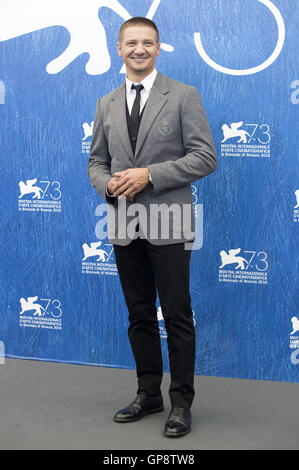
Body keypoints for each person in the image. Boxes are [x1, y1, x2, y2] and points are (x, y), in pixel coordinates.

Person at [87, 17, 216, 438]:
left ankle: (180, 403)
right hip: (124, 221)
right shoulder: (106, 103)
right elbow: (96, 162)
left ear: (158, 48)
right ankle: (148, 393)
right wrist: (108, 184)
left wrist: (149, 174)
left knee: (176, 315)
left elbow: (205, 157)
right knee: (139, 314)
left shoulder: (183, 96)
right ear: (119, 48)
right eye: (131, 43)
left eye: (147, 43)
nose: (139, 49)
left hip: (171, 221)